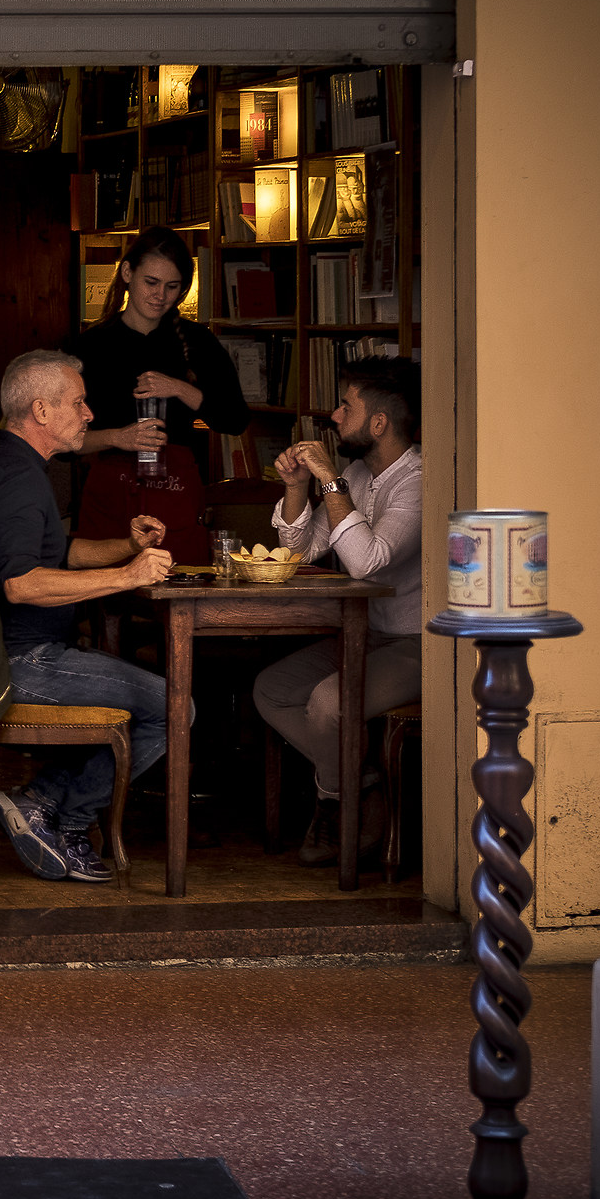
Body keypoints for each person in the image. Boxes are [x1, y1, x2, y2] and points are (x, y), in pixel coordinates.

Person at [0, 350, 175, 882]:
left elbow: (55, 553)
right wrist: (128, 576)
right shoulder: (21, 480)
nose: (90, 414)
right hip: (16, 664)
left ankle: (41, 802)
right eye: (78, 402)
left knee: (155, 701)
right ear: (41, 410)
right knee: (175, 706)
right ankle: (64, 817)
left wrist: (125, 547)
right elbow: (22, 583)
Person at [252, 356, 423, 866]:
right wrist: (297, 487)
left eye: (346, 406)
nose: (333, 415)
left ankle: (334, 802)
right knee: (272, 690)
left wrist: (328, 478)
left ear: (379, 423)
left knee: (329, 704)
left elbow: (367, 561)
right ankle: (361, 783)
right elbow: (301, 551)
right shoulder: (355, 474)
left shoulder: (418, 480)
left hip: (418, 643)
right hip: (363, 633)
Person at [65, 225, 251, 565]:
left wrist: (179, 388)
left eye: (172, 286)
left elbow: (234, 419)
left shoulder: (198, 342)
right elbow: (64, 445)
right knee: (109, 590)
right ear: (127, 273)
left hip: (175, 495)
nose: (160, 295)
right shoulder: (90, 346)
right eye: (151, 282)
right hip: (109, 499)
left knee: (178, 583)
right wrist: (118, 437)